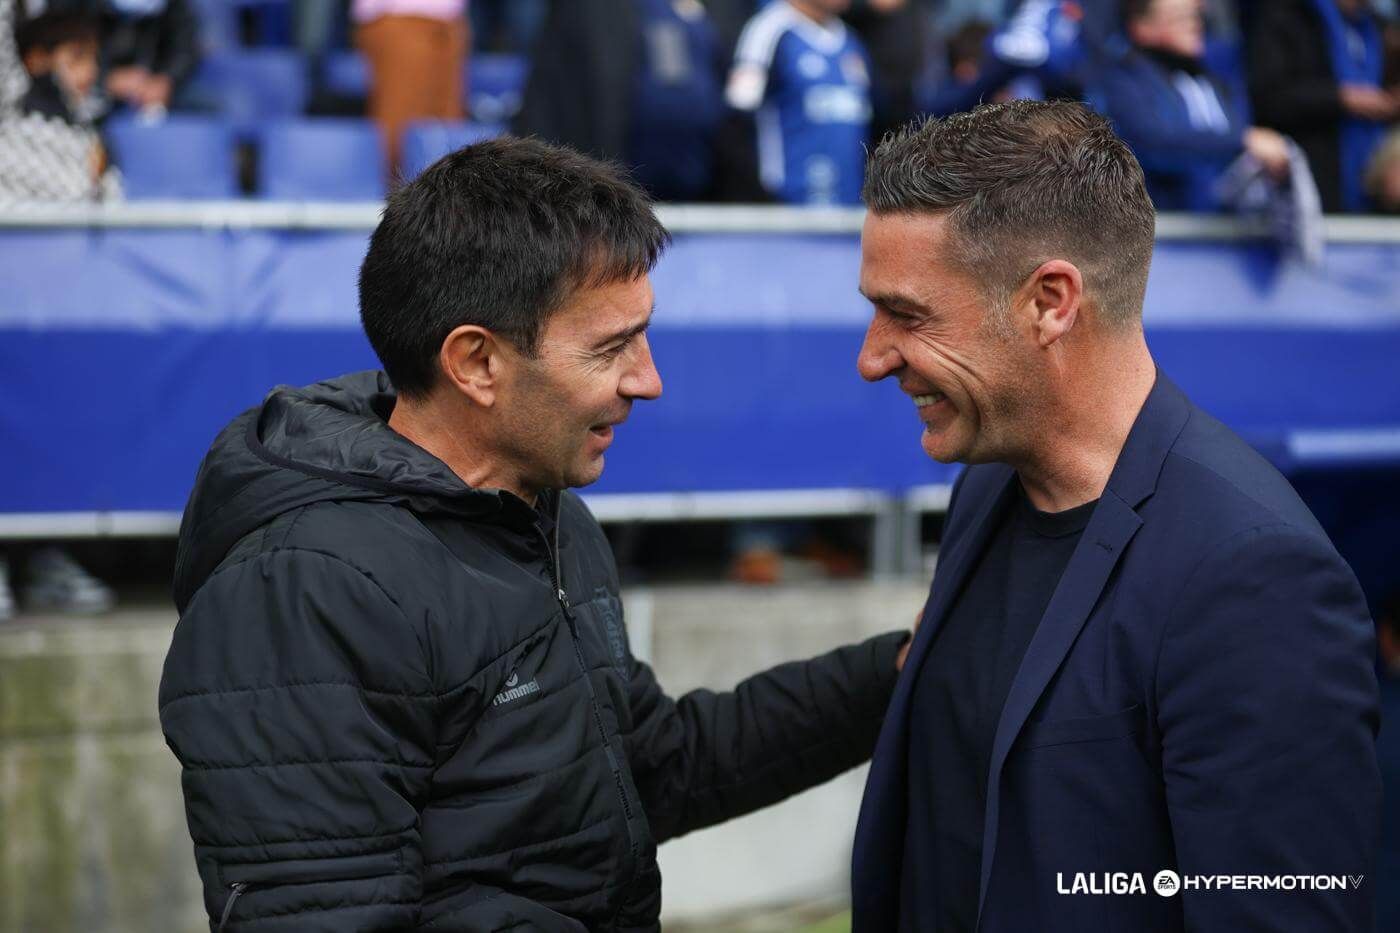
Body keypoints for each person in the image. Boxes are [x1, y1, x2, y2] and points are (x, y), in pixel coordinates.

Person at [158, 136, 910, 931]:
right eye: (611, 346)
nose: (647, 380)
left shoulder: (545, 514)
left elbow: (648, 765)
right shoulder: (308, 588)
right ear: (476, 362)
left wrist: (897, 671)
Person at [849, 100, 1380, 932]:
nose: (872, 356)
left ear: (1051, 301)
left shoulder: (1254, 577)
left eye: (909, 314)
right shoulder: (986, 484)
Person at [1099, 0, 1292, 211]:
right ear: (1141, 27)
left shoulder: (1213, 82)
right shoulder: (1124, 82)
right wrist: (1242, 141)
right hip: (1169, 231)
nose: (1195, 24)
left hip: (1227, 232)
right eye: (1180, 17)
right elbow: (1156, 143)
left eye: (1196, 16)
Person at [1248, 0, 1399, 212]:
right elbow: (1268, 99)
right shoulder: (1287, 16)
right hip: (1310, 193)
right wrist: (1340, 99)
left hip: (1374, 195)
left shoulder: (1380, 29)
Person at [724, 0, 873, 204]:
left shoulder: (851, 42)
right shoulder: (768, 30)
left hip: (848, 208)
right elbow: (737, 117)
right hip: (786, 210)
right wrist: (762, 198)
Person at [0, 7, 121, 202]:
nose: (90, 72)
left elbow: (110, 209)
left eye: (94, 60)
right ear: (37, 60)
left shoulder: (92, 136)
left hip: (73, 231)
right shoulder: (10, 108)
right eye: (77, 58)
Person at [353, 0, 467, 175]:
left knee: (447, 122)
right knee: (399, 121)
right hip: (399, 15)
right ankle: (394, 194)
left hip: (449, 20)